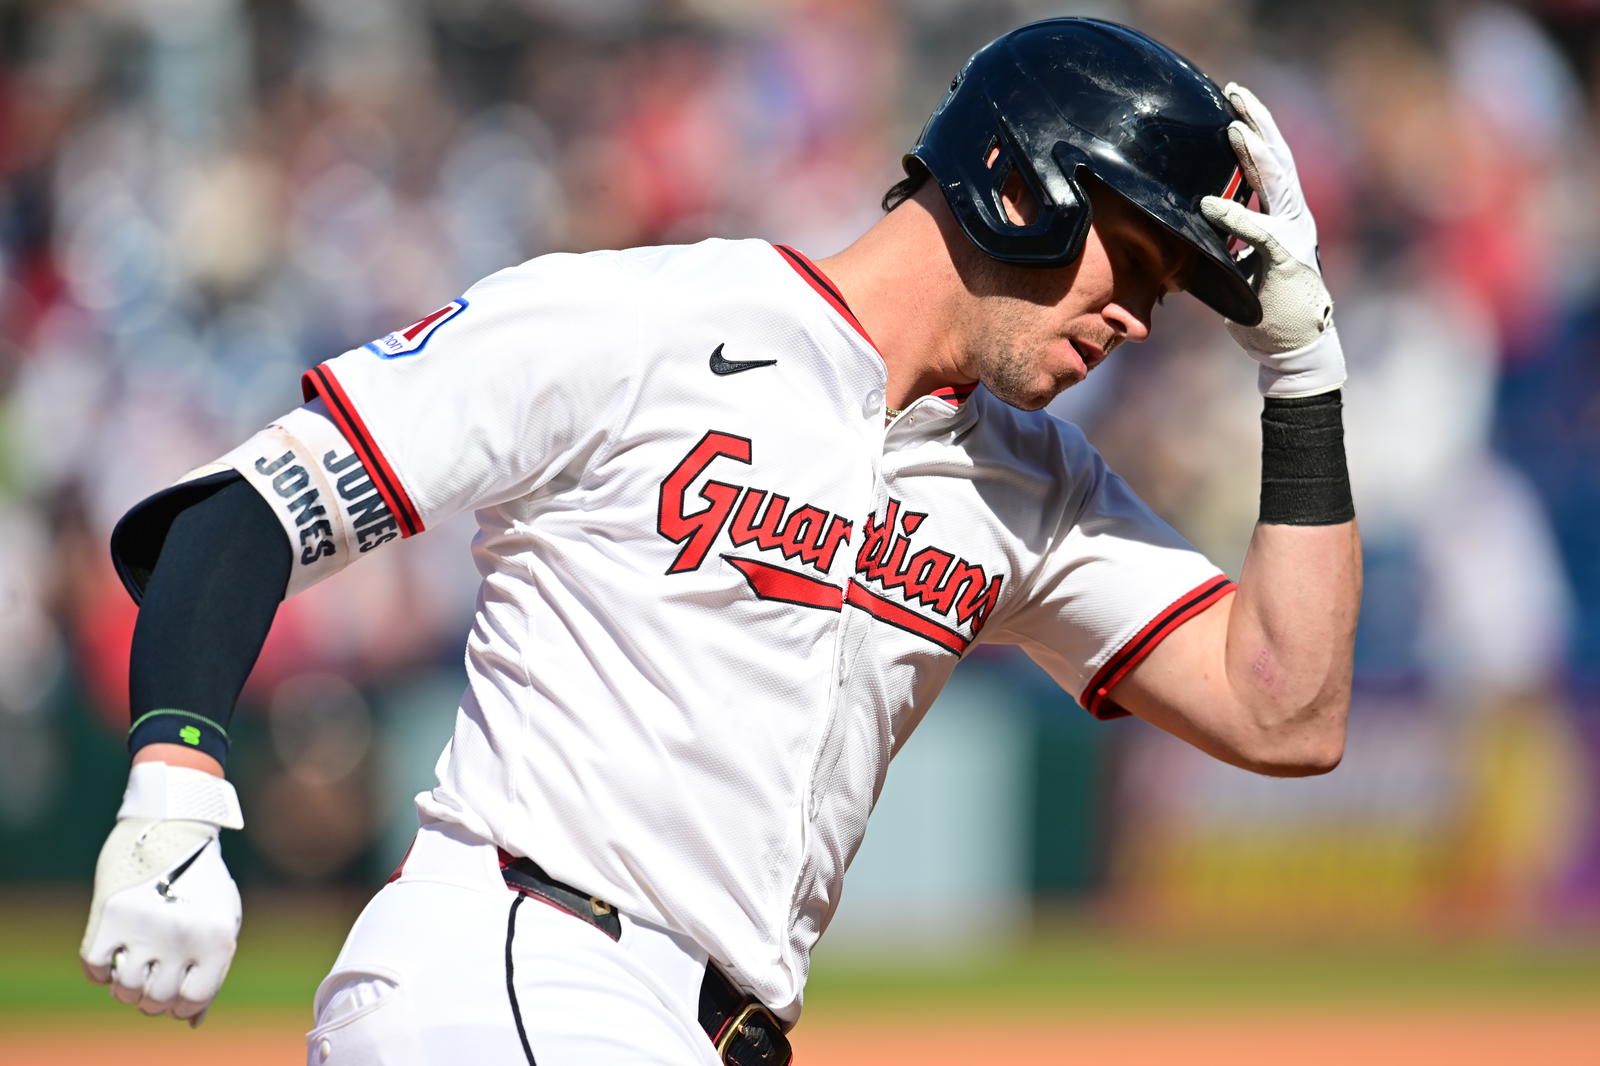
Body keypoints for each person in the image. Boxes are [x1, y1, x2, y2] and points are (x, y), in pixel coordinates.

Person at [79, 18, 1359, 1066]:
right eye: (1131, 256)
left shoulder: (1033, 484)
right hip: (515, 961)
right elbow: (247, 509)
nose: (1138, 318)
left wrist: (1301, 371)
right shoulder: (643, 323)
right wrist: (172, 786)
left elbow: (1284, 709)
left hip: (698, 1026)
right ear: (1014, 182)